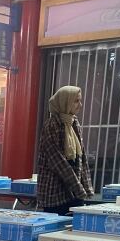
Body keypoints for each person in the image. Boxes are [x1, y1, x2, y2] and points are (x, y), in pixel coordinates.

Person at [37, 85, 93, 216]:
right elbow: (57, 161)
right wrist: (79, 188)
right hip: (54, 192)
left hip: (74, 190)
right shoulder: (51, 125)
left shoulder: (74, 123)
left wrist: (86, 187)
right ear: (65, 102)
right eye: (76, 101)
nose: (80, 104)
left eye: (80, 100)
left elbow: (81, 157)